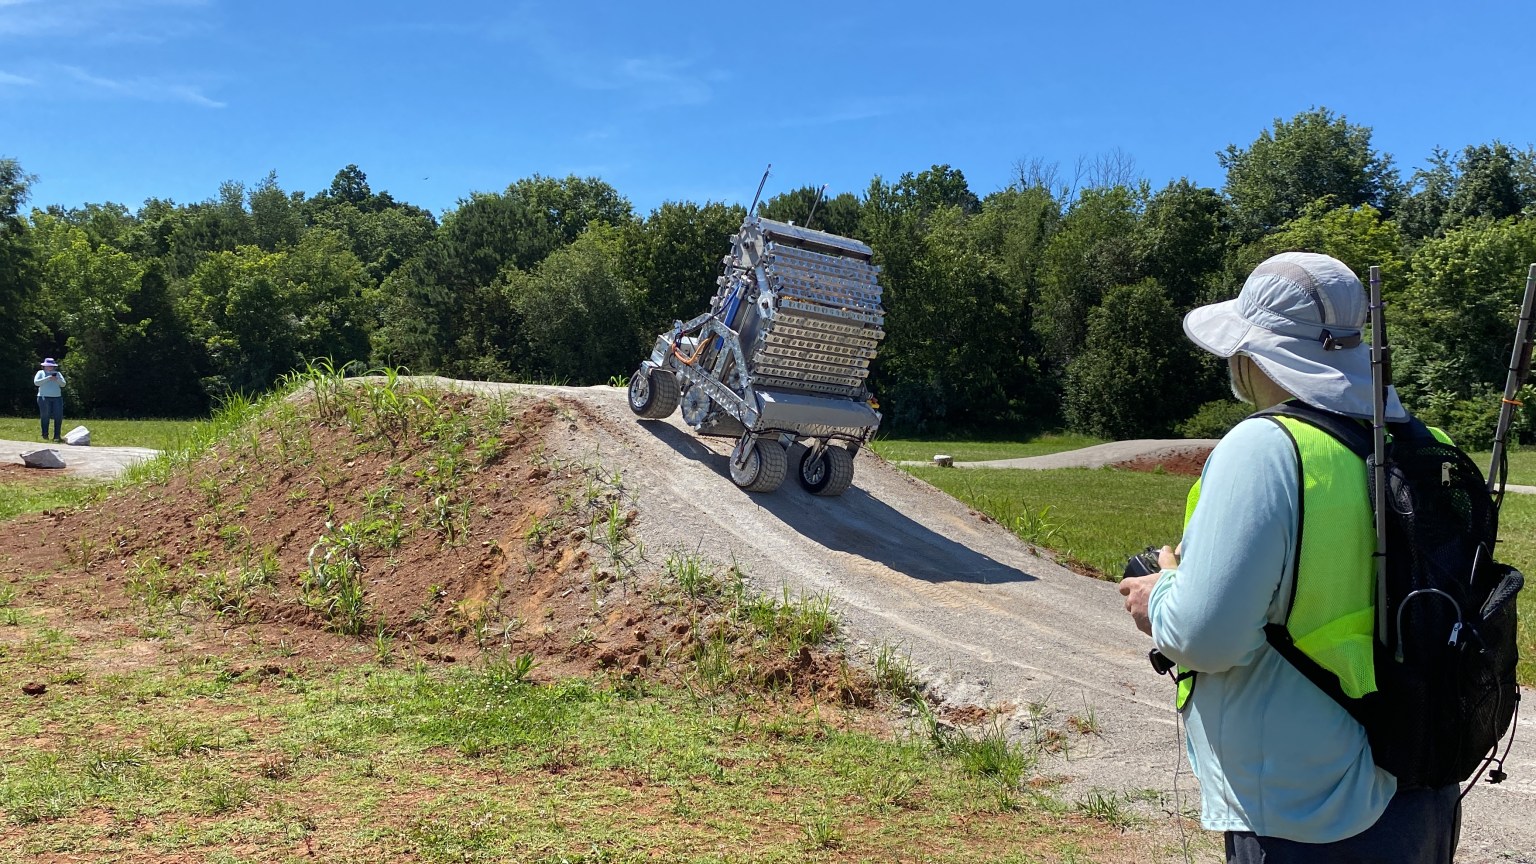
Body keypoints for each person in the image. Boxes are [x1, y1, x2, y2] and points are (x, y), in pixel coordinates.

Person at [1118, 252, 1461, 863]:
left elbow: (1206, 637)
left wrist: (1162, 591)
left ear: (1253, 355)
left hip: (1303, 807)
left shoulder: (1265, 447)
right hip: (1419, 780)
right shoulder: (1428, 445)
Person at [33, 357, 66, 442]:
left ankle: (57, 436)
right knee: (45, 416)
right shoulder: (40, 373)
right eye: (48, 366)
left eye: (51, 366)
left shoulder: (58, 374)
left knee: (58, 416)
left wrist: (56, 379)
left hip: (57, 398)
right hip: (43, 397)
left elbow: (63, 384)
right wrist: (48, 378)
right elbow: (36, 383)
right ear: (44, 366)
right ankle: (45, 435)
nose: (50, 367)